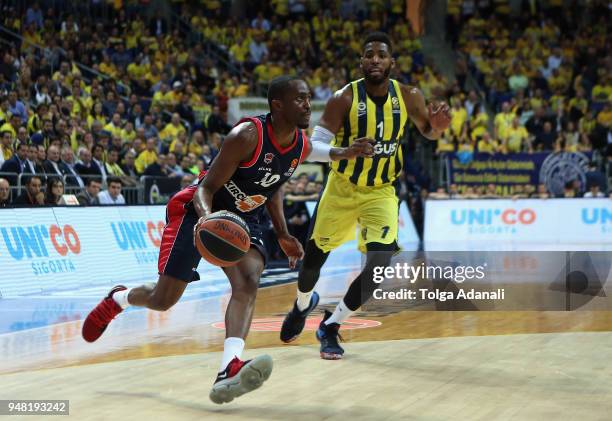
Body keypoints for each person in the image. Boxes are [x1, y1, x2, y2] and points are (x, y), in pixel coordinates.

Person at [81, 76, 373, 404]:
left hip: (244, 218)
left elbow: (273, 184)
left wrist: (282, 232)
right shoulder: (246, 135)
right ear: (278, 105)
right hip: (198, 210)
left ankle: (229, 368)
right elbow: (205, 189)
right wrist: (206, 221)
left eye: (308, 99)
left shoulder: (299, 144)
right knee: (163, 300)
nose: (308, 105)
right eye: (300, 99)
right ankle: (118, 300)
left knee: (249, 280)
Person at [280, 32, 452, 360]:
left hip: (382, 191)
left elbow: (426, 131)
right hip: (342, 188)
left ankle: (331, 326)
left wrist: (436, 129)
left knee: (380, 262)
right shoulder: (343, 98)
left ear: (391, 63)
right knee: (313, 260)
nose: (375, 59)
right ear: (361, 62)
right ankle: (302, 305)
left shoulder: (410, 96)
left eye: (381, 55)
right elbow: (311, 148)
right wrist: (346, 151)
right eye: (369, 54)